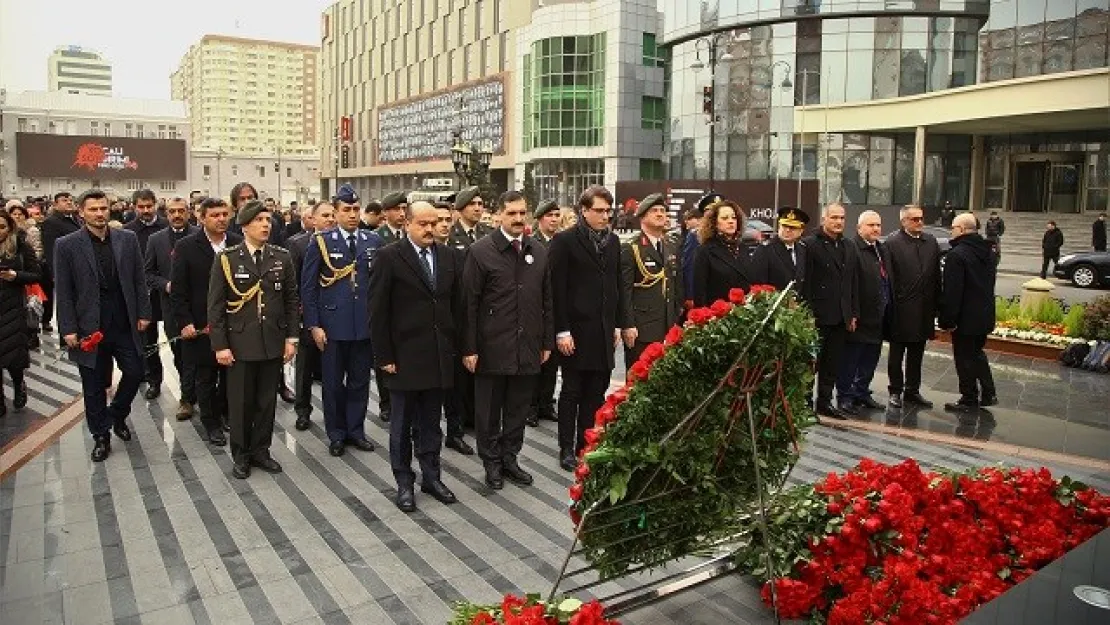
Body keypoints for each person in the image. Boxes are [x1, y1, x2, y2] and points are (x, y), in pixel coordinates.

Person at [369, 201, 463, 512]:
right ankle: (404, 482)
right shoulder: (389, 257)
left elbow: (456, 306)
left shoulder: (449, 256)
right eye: (422, 223)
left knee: (432, 423)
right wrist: (384, 356)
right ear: (407, 223)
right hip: (403, 356)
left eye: (433, 222)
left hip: (437, 355)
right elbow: (378, 310)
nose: (429, 229)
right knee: (401, 424)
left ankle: (432, 477)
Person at [462, 190, 553, 490]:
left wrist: (546, 342)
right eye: (511, 213)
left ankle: (510, 458)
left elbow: (547, 300)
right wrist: (470, 347)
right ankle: (491, 463)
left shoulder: (538, 251)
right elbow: (470, 304)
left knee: (518, 408)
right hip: (491, 347)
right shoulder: (481, 251)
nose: (517, 219)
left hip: (527, 346)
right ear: (499, 214)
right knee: (488, 410)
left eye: (521, 213)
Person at [54, 189, 151, 462]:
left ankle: (117, 414)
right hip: (89, 327)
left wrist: (144, 312)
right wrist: (68, 328)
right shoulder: (67, 245)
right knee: (94, 386)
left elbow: (139, 279)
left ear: (110, 210)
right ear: (81, 212)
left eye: (103, 208)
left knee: (134, 372)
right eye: (93, 209)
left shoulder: (127, 239)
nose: (99, 214)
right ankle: (101, 436)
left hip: (123, 322)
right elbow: (63, 290)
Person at [208, 200, 299, 479]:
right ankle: (241, 455)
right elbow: (216, 305)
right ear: (245, 226)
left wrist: (291, 338)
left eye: (268, 220)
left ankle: (261, 450)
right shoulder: (227, 258)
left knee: (266, 402)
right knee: (240, 403)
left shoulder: (281, 257)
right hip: (240, 344)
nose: (265, 225)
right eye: (259, 220)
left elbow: (291, 300)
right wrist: (220, 345)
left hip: (272, 341)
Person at [549, 185, 629, 471]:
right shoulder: (564, 241)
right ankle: (566, 448)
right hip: (575, 331)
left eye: (608, 211)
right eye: (599, 211)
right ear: (584, 211)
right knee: (572, 391)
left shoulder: (614, 242)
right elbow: (556, 290)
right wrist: (562, 330)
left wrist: (618, 323)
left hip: (603, 330)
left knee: (597, 391)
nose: (605, 216)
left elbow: (617, 286)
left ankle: (586, 444)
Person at [301, 184, 383, 456]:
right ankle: (336, 434)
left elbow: (378, 286)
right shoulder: (321, 242)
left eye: (356, 209)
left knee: (360, 381)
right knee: (334, 383)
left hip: (363, 325)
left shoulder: (373, 242)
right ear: (335, 213)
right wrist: (313, 325)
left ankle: (355, 431)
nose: (352, 214)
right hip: (332, 326)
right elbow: (309, 287)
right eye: (346, 210)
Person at [172, 198, 242, 446]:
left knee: (230, 374)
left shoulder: (237, 243)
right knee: (205, 375)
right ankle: (210, 423)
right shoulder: (187, 247)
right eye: (215, 215)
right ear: (201, 218)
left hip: (234, 322)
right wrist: (185, 322)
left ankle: (226, 414)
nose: (222, 219)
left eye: (225, 214)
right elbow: (179, 291)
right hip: (201, 324)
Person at [801, 203, 860, 420]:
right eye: (834, 217)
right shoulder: (810, 245)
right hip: (817, 315)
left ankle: (824, 402)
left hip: (840, 315)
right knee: (811, 363)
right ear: (824, 218)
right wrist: (806, 315)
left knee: (832, 364)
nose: (838, 222)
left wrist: (853, 313)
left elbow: (852, 282)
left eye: (842, 218)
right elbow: (805, 283)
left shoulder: (849, 246)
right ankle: (805, 405)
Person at [143, 197, 198, 419]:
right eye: (172, 211)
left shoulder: (198, 235)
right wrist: (166, 285)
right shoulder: (156, 240)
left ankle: (188, 397)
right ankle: (188, 393)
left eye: (181, 211)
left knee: (198, 353)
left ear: (188, 212)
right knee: (179, 352)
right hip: (171, 307)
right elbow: (148, 273)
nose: (177, 215)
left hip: (198, 305)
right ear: (166, 213)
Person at [883, 205, 941, 409]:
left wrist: (936, 306)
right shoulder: (892, 242)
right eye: (914, 219)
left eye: (921, 218)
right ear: (904, 221)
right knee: (897, 354)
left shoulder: (930, 242)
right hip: (901, 308)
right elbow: (888, 278)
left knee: (917, 353)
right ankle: (895, 391)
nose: (919, 222)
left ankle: (912, 390)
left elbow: (936, 276)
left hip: (924, 308)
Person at [939, 213, 998, 413]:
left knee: (964, 358)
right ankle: (988, 392)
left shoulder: (957, 254)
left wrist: (947, 320)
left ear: (962, 229)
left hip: (964, 317)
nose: (951, 231)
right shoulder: (989, 252)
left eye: (953, 227)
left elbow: (953, 291)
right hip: (983, 314)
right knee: (977, 353)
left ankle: (969, 397)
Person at [619, 193, 684, 366]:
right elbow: (624, 290)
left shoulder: (670, 246)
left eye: (663, 210)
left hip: (668, 325)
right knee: (638, 379)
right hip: (642, 328)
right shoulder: (631, 247)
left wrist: (677, 315)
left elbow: (675, 284)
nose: (661, 214)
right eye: (655, 210)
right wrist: (627, 325)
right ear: (643, 216)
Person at [837, 211, 890, 415]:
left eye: (878, 225)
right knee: (851, 360)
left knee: (871, 358)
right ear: (859, 228)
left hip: (878, 316)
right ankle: (845, 395)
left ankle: (861, 392)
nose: (876, 229)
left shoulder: (880, 249)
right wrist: (851, 313)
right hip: (860, 316)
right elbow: (848, 284)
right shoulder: (853, 249)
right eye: (871, 225)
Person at [287, 201, 333, 430]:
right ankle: (303, 410)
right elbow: (293, 283)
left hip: (334, 315)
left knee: (332, 368)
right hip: (308, 314)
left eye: (332, 215)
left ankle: (334, 412)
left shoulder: (340, 242)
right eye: (324, 215)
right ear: (312, 220)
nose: (329, 219)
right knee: (304, 367)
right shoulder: (299, 244)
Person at [125, 189, 169, 400]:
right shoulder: (127, 232)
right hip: (143, 295)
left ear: (156, 205)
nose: (145, 211)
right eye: (141, 207)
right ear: (134, 207)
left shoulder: (168, 227)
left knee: (177, 339)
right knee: (148, 341)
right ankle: (154, 380)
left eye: (149, 206)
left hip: (168, 292)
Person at [0, 210, 41, 416]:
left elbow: (36, 274)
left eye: (2, 227)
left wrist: (15, 275)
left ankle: (18, 385)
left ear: (10, 227)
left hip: (14, 308)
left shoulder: (20, 245)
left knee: (14, 355)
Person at [528, 200, 561, 427]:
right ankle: (530, 407)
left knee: (552, 361)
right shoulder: (531, 244)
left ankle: (546, 404)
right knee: (535, 361)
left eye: (557, 215)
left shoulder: (562, 243)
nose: (554, 219)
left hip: (556, 309)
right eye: (549, 215)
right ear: (540, 218)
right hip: (535, 309)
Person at [692, 199, 753, 306]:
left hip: (744, 314)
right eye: (725, 218)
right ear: (715, 223)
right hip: (717, 316)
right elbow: (699, 291)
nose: (731, 221)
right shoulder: (705, 251)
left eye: (734, 218)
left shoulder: (743, 248)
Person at [40, 191, 82, 333]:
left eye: (70, 199)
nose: (69, 202)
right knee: (65, 303)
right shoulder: (51, 222)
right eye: (64, 200)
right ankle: (66, 335)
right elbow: (51, 249)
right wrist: (55, 273)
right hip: (63, 268)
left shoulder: (75, 219)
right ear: (55, 204)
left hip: (78, 267)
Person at [750, 207, 808, 292]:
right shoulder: (765, 250)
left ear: (801, 231)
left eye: (792, 227)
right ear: (779, 226)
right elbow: (758, 286)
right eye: (784, 226)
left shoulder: (802, 249)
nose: (787, 230)